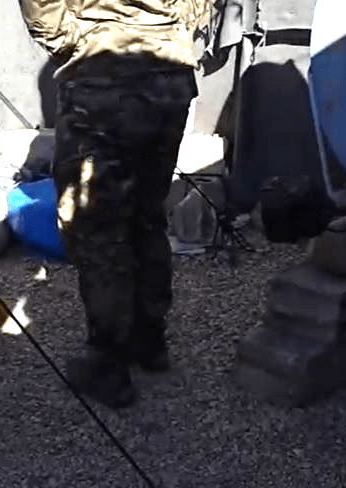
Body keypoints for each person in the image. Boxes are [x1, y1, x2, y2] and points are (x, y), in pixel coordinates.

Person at [20, 0, 212, 408]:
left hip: (103, 78)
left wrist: (73, 39)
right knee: (147, 212)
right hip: (169, 70)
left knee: (98, 227)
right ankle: (149, 340)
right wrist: (175, 25)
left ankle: (108, 362)